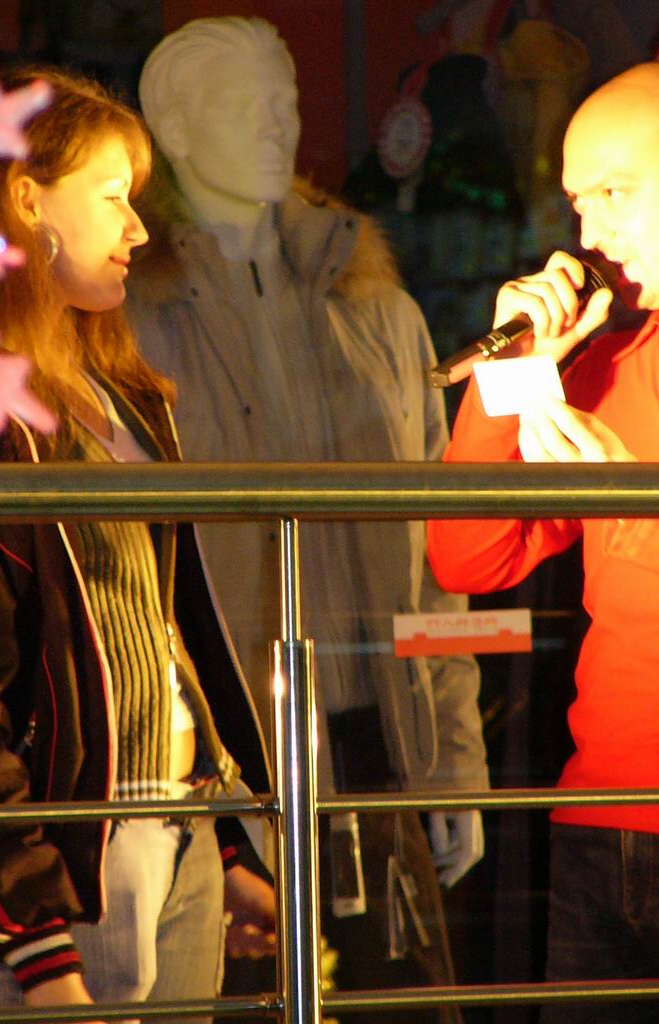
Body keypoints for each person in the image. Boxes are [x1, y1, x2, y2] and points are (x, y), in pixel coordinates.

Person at [0, 66, 274, 1021]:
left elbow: (164, 630)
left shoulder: (124, 396)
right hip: (63, 860)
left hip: (179, 825)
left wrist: (226, 837)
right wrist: (25, 934)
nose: (138, 229)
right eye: (112, 197)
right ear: (26, 203)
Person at [127, 17, 488, 1015]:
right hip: (221, 760)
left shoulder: (378, 310)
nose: (276, 122)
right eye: (244, 103)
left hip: (378, 743)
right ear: (176, 127)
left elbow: (437, 554)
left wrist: (454, 758)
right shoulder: (130, 320)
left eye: (284, 98)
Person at [427, 61, 659, 1024]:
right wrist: (517, 373)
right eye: (577, 202)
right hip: (600, 815)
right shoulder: (619, 364)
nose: (591, 234)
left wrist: (636, 499)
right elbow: (471, 559)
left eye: (615, 193)